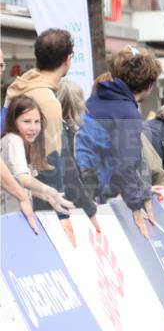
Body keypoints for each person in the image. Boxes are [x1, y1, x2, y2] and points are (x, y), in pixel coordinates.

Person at [75, 47, 160, 239]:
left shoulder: (96, 99)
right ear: (149, 86)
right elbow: (125, 165)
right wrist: (136, 206)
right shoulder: (127, 112)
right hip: (91, 197)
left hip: (75, 187)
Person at [4, 28, 73, 209]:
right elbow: (49, 161)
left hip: (14, 191)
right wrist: (60, 213)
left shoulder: (19, 86)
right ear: (68, 59)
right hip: (25, 200)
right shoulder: (47, 100)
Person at [1, 96, 74, 216]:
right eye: (26, 122)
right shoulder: (13, 140)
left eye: (37, 122)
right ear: (13, 122)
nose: (33, 128)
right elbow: (24, 179)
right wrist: (50, 191)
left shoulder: (25, 144)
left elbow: (23, 185)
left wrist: (48, 196)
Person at [56, 79, 100, 246]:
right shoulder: (64, 130)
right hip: (61, 206)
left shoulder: (69, 129)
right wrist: (89, 207)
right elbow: (70, 174)